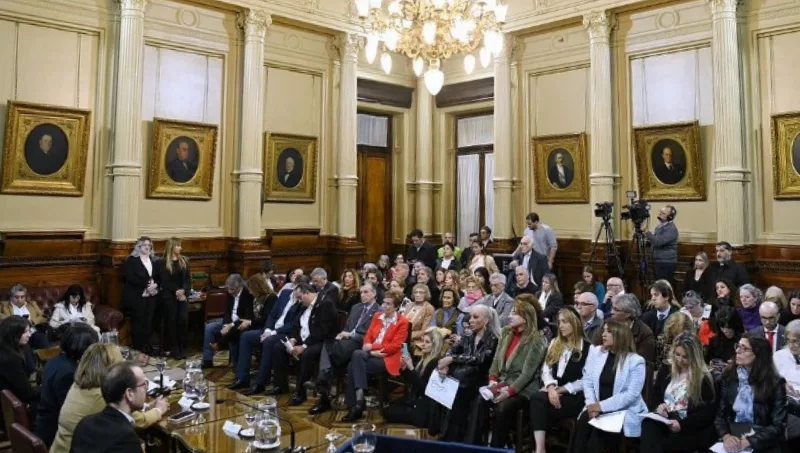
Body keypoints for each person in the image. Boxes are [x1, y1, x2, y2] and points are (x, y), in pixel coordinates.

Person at [50, 344, 166, 453]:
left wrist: (147, 406)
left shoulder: (80, 384)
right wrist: (158, 410)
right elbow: (139, 421)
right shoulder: (100, 396)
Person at [566, 319, 648, 453]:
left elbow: (631, 395)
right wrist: (592, 405)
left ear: (620, 334)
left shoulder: (636, 361)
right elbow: (588, 381)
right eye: (603, 330)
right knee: (581, 428)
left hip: (621, 410)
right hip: (595, 407)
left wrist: (601, 406)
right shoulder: (597, 352)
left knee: (595, 440)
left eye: (608, 331)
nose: (603, 334)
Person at [306, 283, 381, 415]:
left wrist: (351, 335)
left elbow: (372, 335)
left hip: (362, 342)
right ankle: (324, 379)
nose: (362, 295)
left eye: (366, 292)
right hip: (345, 342)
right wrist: (343, 334)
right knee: (328, 343)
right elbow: (347, 327)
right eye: (361, 292)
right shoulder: (356, 307)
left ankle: (323, 384)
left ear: (374, 294)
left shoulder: (379, 311)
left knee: (328, 348)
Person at [484, 301, 547, 448]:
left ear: (525, 318)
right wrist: (492, 380)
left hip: (523, 389)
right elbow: (496, 360)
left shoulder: (536, 340)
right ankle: (475, 445)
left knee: (503, 407)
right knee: (479, 400)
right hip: (502, 382)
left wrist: (509, 392)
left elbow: (527, 375)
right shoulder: (506, 332)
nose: (509, 316)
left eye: (514, 313)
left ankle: (496, 449)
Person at [640, 333, 717, 453]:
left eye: (685, 357)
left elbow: (706, 414)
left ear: (695, 357)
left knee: (666, 443)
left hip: (688, 427)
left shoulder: (704, 378)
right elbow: (655, 396)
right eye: (677, 354)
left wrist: (682, 425)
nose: (679, 360)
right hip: (666, 419)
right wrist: (659, 406)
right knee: (648, 426)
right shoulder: (667, 368)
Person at [341, 290, 409, 422]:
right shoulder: (377, 316)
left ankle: (355, 406)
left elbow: (395, 346)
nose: (384, 306)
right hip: (370, 355)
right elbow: (368, 336)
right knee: (355, 360)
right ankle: (358, 401)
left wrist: (372, 348)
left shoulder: (402, 322)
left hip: (387, 357)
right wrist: (370, 350)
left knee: (352, 364)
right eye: (383, 303)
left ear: (396, 307)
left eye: (388, 304)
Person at [530, 307, 591, 453]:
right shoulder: (555, 342)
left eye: (565, 322)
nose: (560, 325)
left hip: (574, 396)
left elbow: (586, 380)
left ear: (575, 323)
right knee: (537, 399)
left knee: (538, 403)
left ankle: (542, 447)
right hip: (553, 392)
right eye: (559, 322)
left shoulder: (589, 348)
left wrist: (561, 390)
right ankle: (540, 448)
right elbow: (546, 370)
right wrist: (551, 388)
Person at [268, 282, 339, 405]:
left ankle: (301, 393)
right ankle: (280, 385)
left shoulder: (325, 303)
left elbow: (321, 331)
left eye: (300, 297)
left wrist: (304, 346)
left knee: (306, 353)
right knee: (278, 347)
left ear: (307, 293)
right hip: (304, 338)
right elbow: (296, 325)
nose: (299, 301)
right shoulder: (304, 305)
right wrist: (293, 339)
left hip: (321, 341)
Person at [438, 305, 500, 443]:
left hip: (482, 379)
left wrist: (453, 359)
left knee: (457, 388)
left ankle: (454, 439)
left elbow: (480, 360)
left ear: (486, 321)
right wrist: (446, 364)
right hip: (465, 377)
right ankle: (445, 435)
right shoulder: (468, 334)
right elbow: (452, 351)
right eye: (470, 316)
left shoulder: (493, 338)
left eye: (475, 317)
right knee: (445, 381)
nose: (470, 320)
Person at [714, 335, 787, 453]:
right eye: (738, 346)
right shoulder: (729, 377)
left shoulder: (775, 383)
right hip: (733, 435)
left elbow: (778, 426)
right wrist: (726, 436)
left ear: (759, 354)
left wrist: (749, 441)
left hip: (762, 440)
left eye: (745, 348)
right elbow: (720, 416)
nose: (738, 351)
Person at [238, 275, 307, 396]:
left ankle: (260, 383)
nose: (296, 290)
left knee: (269, 341)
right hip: (271, 329)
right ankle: (242, 378)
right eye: (295, 287)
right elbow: (272, 314)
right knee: (246, 336)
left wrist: (272, 332)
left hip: (285, 333)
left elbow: (293, 325)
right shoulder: (285, 293)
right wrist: (268, 329)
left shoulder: (302, 301)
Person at [33, 324, 98, 448]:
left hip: (44, 421)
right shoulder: (69, 373)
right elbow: (69, 412)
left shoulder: (56, 360)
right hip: (55, 434)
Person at [68, 361, 149, 453]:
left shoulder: (84, 423)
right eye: (144, 384)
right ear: (129, 394)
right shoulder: (126, 438)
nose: (146, 389)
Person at [382, 328, 445, 433]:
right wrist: (404, 369)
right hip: (416, 400)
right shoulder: (424, 359)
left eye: (427, 342)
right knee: (390, 405)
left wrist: (411, 368)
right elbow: (413, 381)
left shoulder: (435, 363)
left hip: (424, 407)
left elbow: (424, 388)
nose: (423, 344)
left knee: (387, 412)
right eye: (423, 341)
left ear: (435, 345)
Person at [226, 273, 278, 390]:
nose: (249, 292)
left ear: (257, 287)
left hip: (267, 329)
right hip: (256, 326)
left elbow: (266, 319)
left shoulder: (271, 298)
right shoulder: (255, 298)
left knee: (245, 336)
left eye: (251, 289)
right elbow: (250, 315)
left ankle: (243, 378)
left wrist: (250, 322)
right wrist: (245, 322)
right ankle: (240, 375)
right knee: (237, 331)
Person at [121, 236, 159, 353]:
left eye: (149, 245)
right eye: (144, 245)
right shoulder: (131, 260)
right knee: (138, 322)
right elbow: (130, 277)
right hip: (136, 296)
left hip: (152, 295)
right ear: (139, 246)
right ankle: (138, 347)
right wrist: (146, 286)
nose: (147, 247)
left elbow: (159, 276)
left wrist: (155, 286)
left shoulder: (154, 260)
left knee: (149, 321)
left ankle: (147, 345)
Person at [155, 237, 191, 359]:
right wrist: (176, 291)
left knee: (183, 321)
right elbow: (165, 280)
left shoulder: (184, 260)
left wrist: (183, 291)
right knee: (171, 322)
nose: (180, 248)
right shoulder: (162, 262)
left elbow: (187, 280)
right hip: (169, 297)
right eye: (178, 245)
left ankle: (183, 348)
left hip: (182, 297)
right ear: (171, 247)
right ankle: (174, 349)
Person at [0, 316, 38, 405]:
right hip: (15, 403)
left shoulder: (9, 347)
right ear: (13, 334)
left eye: (29, 331)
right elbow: (28, 394)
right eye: (25, 332)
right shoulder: (10, 359)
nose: (29, 335)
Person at [1, 284, 50, 351]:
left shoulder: (32, 304)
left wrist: (32, 321)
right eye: (16, 297)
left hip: (32, 330)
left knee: (41, 338)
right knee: (24, 344)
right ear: (11, 297)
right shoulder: (4, 305)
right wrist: (16, 320)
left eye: (22, 297)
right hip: (16, 332)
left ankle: (48, 357)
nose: (19, 299)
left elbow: (42, 317)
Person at [774, 319, 800, 442]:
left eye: (795, 341)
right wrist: (782, 385)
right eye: (788, 340)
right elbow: (770, 380)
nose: (791, 345)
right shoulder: (779, 356)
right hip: (783, 403)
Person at [643, 205, 679, 283]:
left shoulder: (671, 228)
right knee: (658, 283)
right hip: (658, 260)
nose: (660, 214)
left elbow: (658, 242)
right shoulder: (659, 226)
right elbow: (655, 240)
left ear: (670, 217)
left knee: (663, 285)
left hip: (666, 262)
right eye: (660, 212)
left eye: (663, 213)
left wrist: (647, 233)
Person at [406, 284, 435, 357]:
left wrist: (408, 335)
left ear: (426, 294)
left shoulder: (429, 308)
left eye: (421, 292)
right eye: (416, 292)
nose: (417, 295)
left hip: (416, 340)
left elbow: (424, 331)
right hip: (403, 337)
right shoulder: (409, 305)